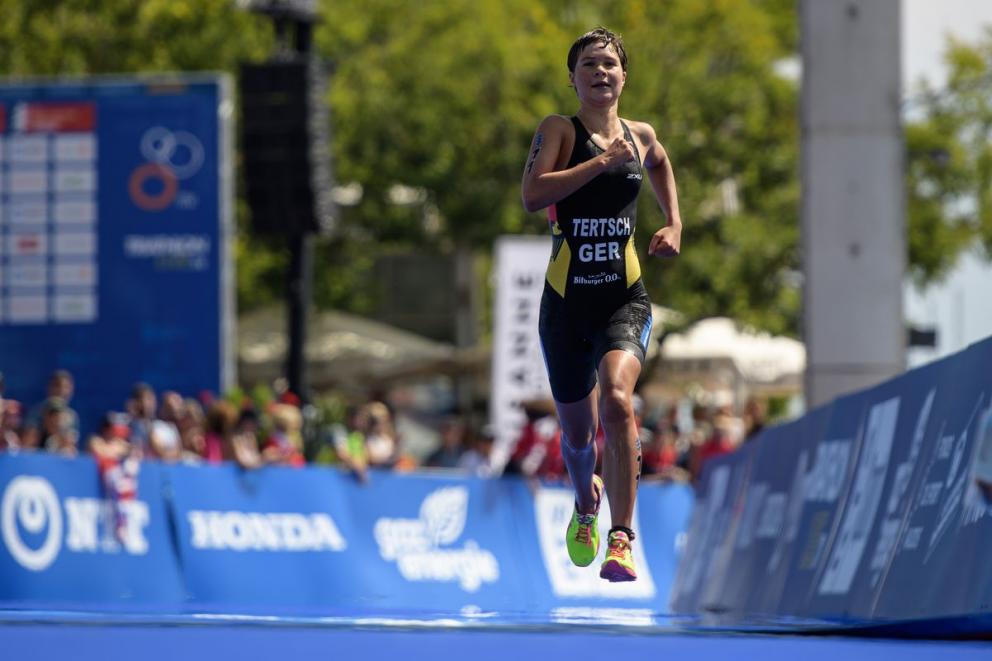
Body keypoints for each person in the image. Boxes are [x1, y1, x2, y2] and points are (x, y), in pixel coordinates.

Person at [521, 27, 683, 582]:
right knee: (574, 435)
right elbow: (533, 196)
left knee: (618, 399)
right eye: (589, 64)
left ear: (623, 75)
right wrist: (599, 163)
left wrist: (673, 222)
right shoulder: (559, 131)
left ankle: (621, 537)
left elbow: (658, 162)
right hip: (566, 307)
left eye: (610, 64)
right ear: (574, 78)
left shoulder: (640, 135)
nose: (600, 72)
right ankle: (585, 504)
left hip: (623, 299)